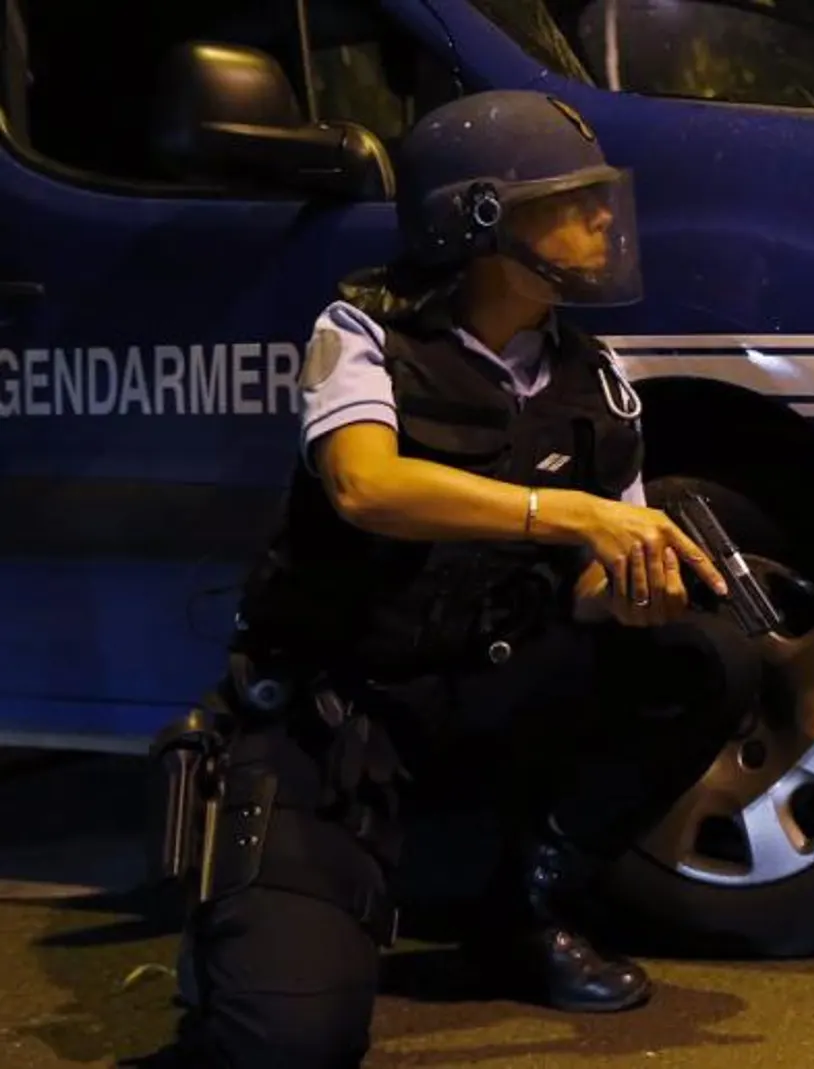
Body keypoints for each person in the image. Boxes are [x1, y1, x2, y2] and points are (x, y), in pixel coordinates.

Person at [155, 88, 751, 1068]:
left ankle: (521, 906)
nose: (606, 218)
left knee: (698, 659)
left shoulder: (592, 380)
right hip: (336, 719)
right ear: (480, 219)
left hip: (481, 694)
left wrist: (637, 584)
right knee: (288, 1042)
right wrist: (567, 512)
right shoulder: (365, 333)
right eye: (573, 200)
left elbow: (588, 586)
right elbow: (364, 484)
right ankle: (237, 927)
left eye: (605, 197)